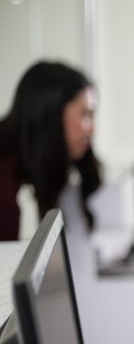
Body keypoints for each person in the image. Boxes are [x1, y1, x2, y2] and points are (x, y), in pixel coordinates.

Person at [0, 61, 101, 241]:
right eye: (85, 114)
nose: (92, 129)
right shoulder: (5, 194)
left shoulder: (27, 171)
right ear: (51, 116)